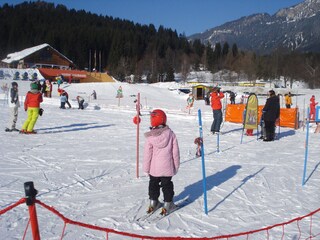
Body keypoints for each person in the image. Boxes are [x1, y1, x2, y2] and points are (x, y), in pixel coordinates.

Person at [143, 109, 180, 216]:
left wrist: (146, 169)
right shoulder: (171, 134)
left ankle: (153, 202)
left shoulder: (150, 136)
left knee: (153, 183)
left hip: (154, 168)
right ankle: (168, 204)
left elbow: (147, 154)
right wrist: (176, 166)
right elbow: (175, 152)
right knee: (167, 185)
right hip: (167, 167)